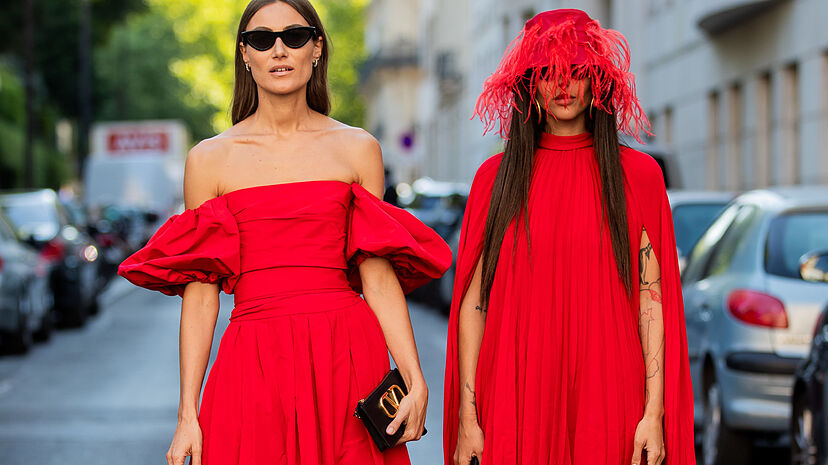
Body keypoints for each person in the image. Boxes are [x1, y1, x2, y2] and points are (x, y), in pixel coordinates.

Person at [117, 1, 452, 464]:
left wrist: (414, 377)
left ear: (316, 49)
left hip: (345, 355)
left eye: (294, 36)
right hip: (252, 360)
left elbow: (376, 276)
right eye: (262, 39)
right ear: (245, 55)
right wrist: (187, 415)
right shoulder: (209, 160)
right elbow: (200, 295)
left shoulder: (358, 149)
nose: (279, 49)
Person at [443, 9, 695, 465]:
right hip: (515, 393)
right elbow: (473, 303)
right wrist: (468, 416)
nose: (563, 85)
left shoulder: (638, 176)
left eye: (576, 71)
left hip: (610, 390)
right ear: (529, 83)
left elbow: (651, 301)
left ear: (597, 80)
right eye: (548, 72)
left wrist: (653, 413)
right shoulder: (493, 180)